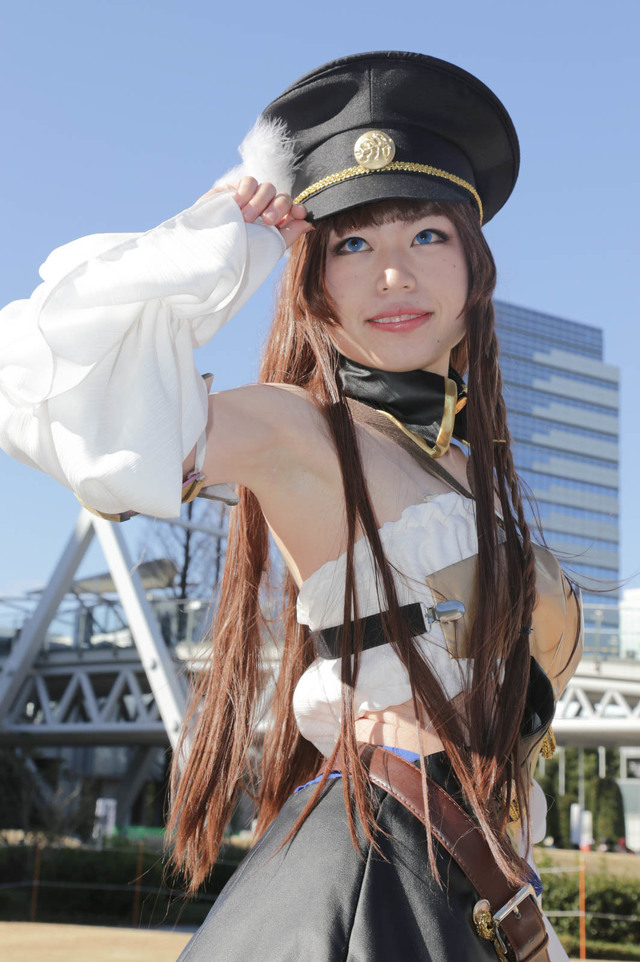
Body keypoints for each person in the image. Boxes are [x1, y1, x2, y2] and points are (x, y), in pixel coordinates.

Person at [0, 52, 582, 961]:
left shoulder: (473, 470)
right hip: (374, 878)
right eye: (353, 244)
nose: (393, 274)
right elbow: (53, 389)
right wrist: (208, 243)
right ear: (313, 281)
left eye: (428, 235)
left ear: (476, 269)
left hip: (475, 888)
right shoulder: (300, 430)